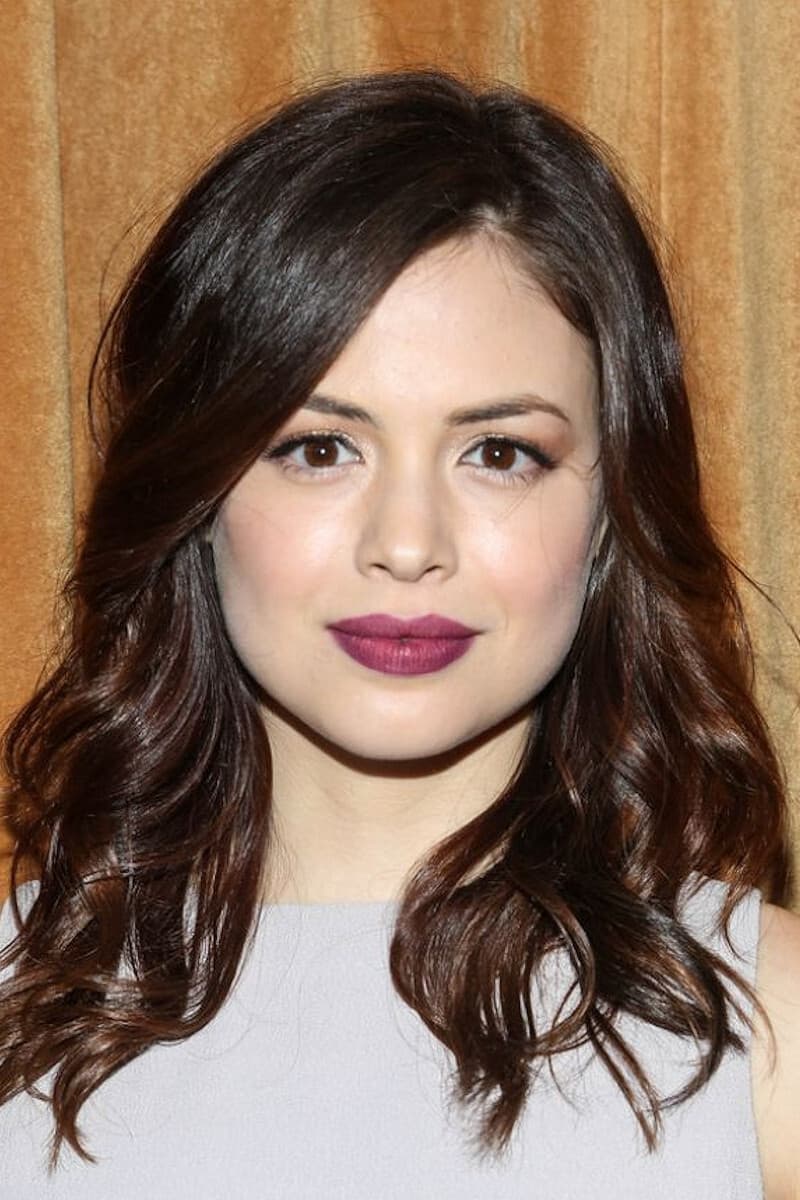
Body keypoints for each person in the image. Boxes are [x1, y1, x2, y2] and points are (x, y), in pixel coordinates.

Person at [0, 68, 797, 1199]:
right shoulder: (17, 1020)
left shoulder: (766, 1038)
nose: (408, 543)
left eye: (498, 453)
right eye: (319, 448)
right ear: (194, 496)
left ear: (612, 511)